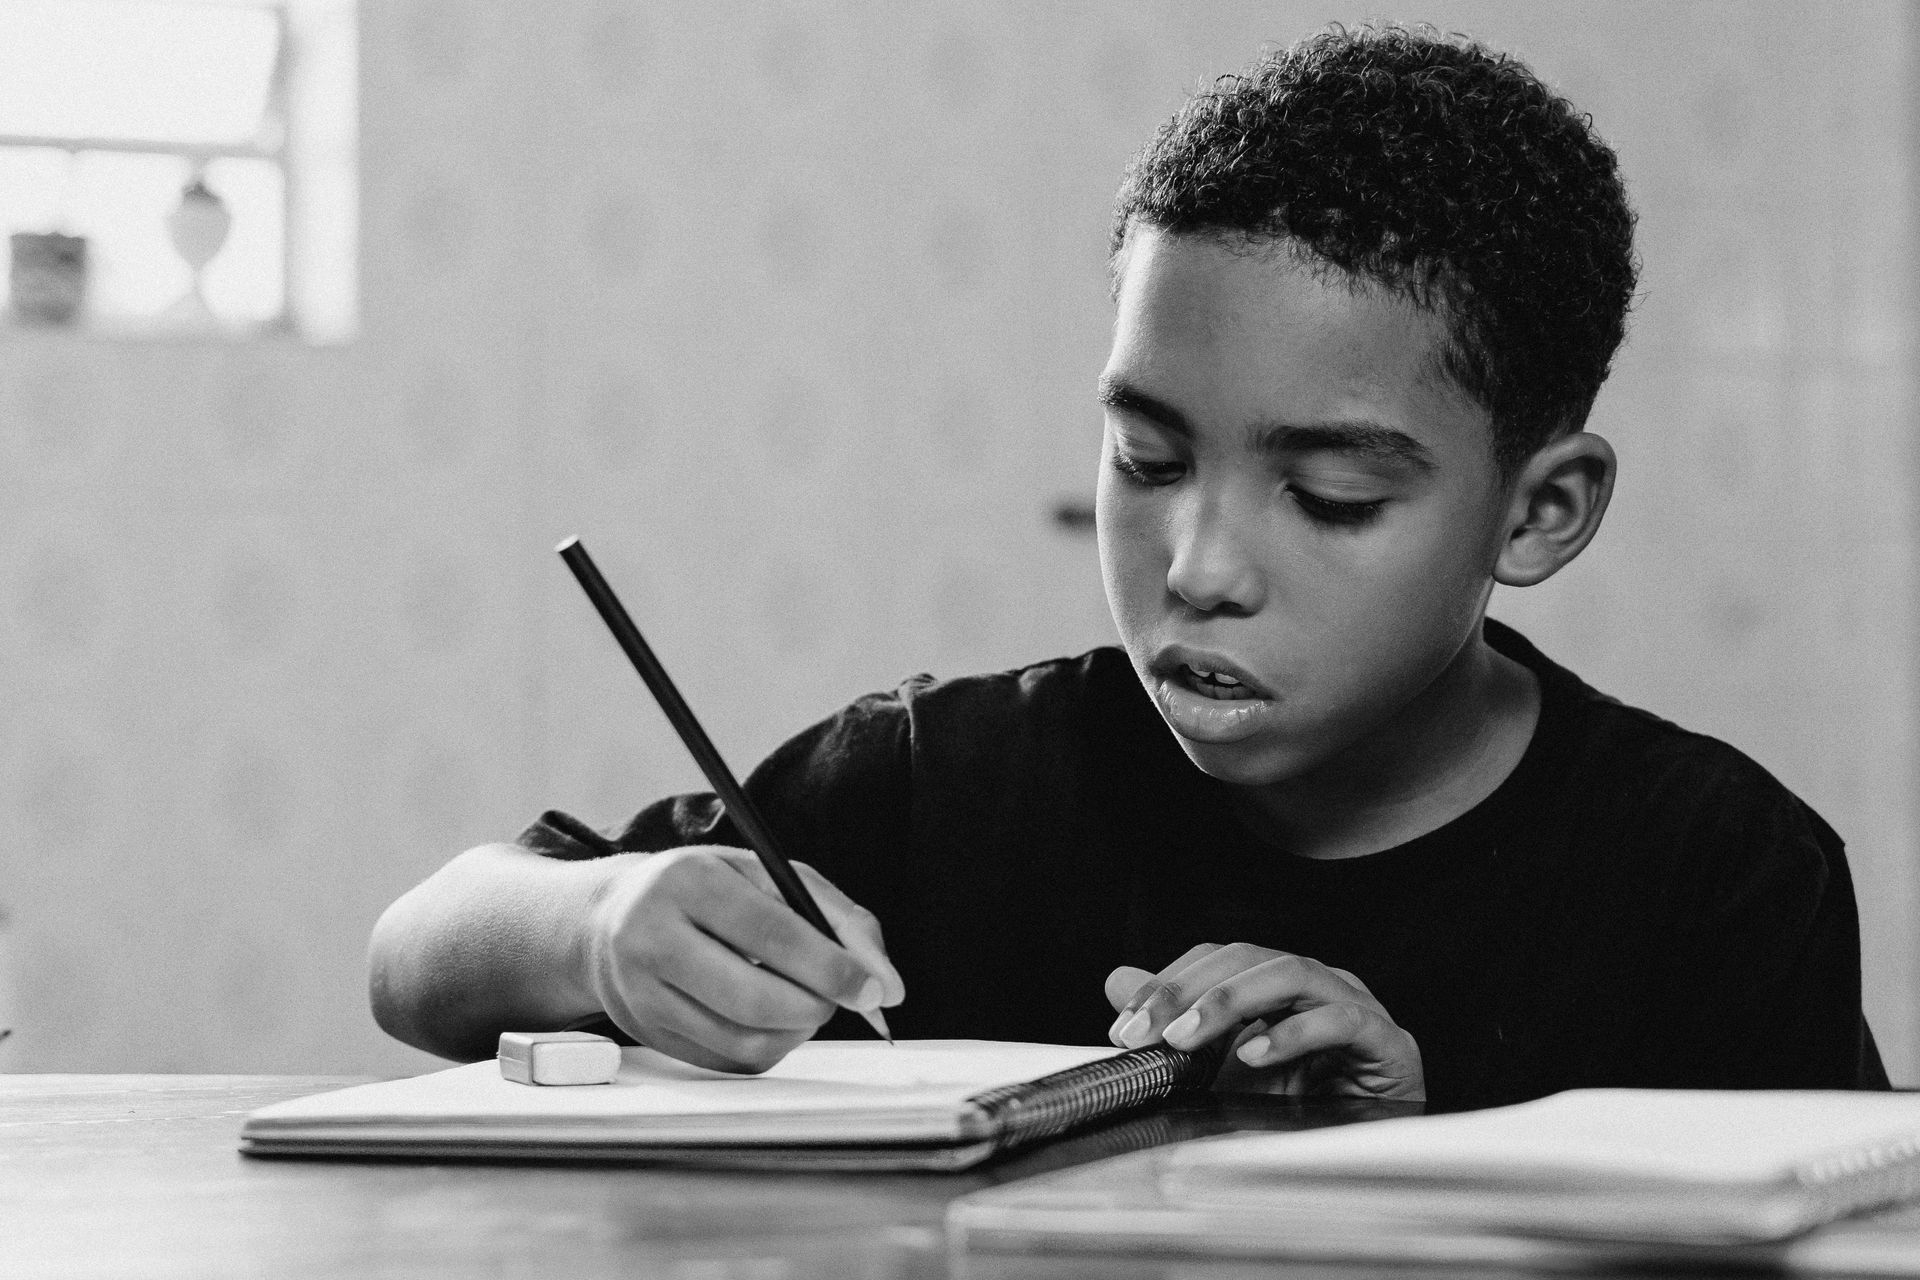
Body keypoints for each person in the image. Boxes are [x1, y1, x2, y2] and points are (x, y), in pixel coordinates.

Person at [367, 24, 1887, 1109]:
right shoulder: (933, 788)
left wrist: (1416, 1163)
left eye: (1332, 494)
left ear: (1540, 513)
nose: (1200, 564)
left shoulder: (1713, 878)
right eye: (1148, 462)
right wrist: (600, 926)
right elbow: (420, 954)